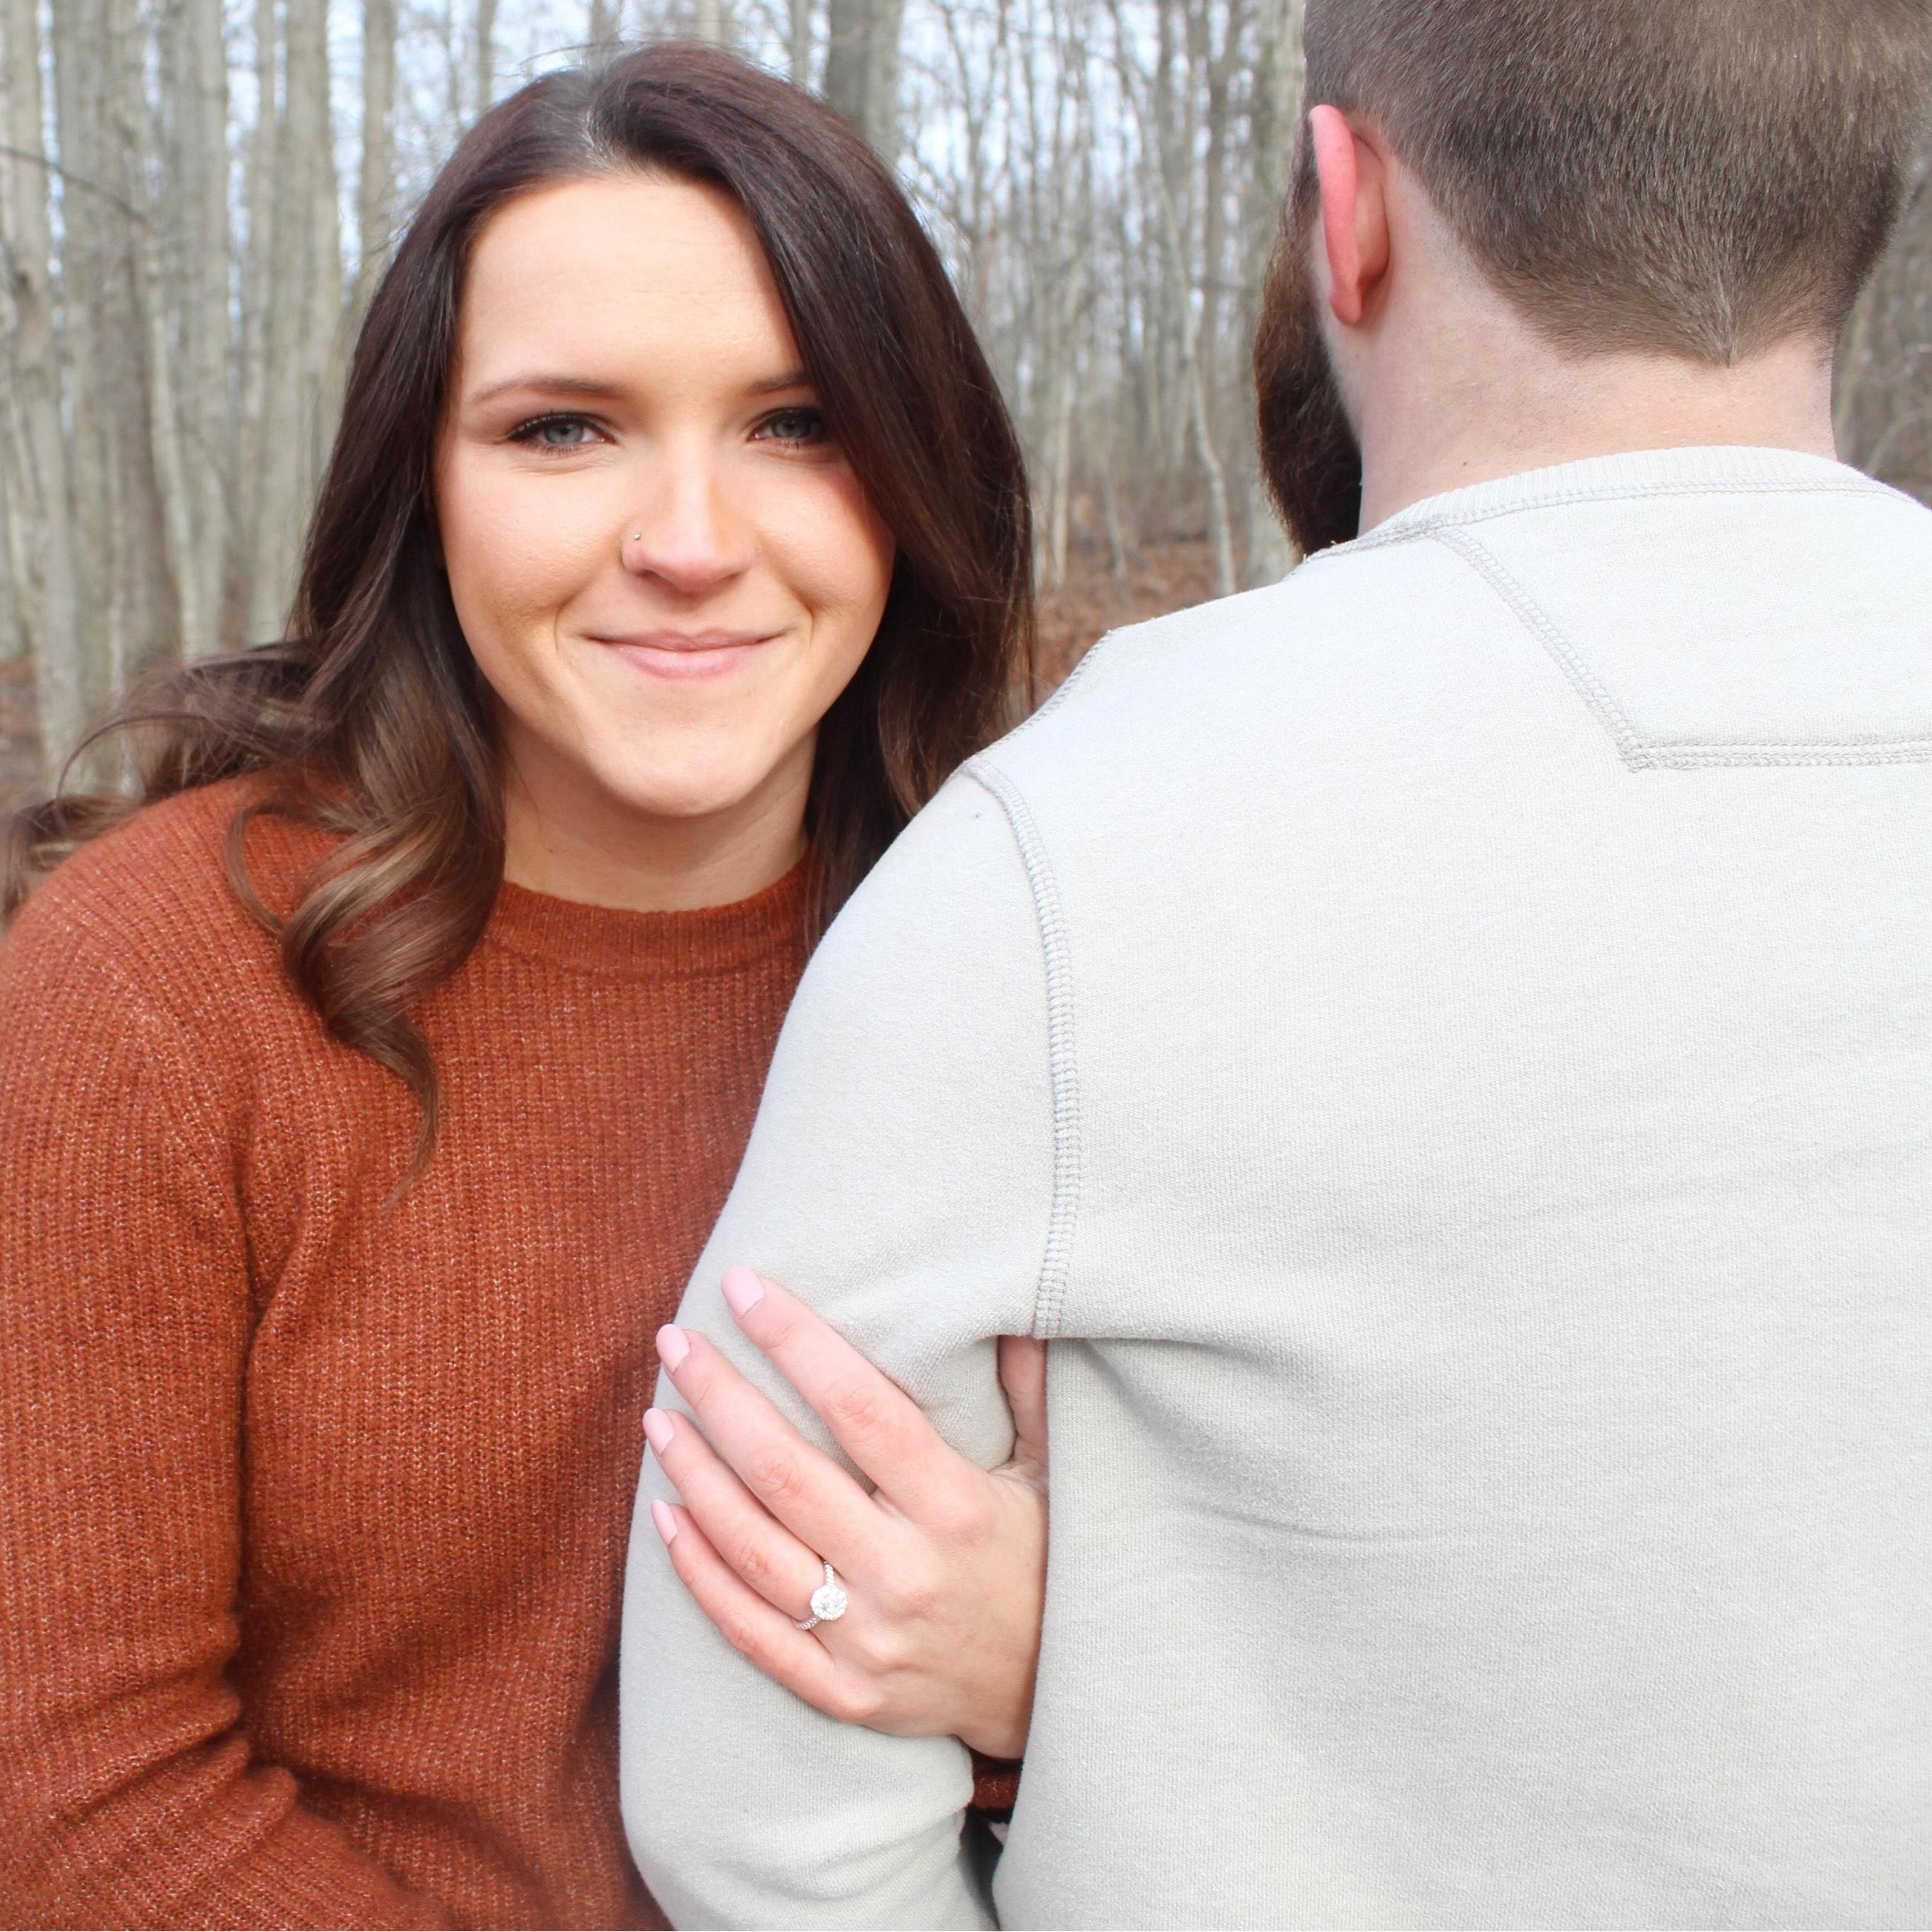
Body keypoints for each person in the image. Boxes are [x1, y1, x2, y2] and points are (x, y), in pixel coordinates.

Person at [620, 0, 1932, 1923]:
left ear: (1348, 202)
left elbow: (753, 1813)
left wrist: (1117, 1681)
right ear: (1860, 206)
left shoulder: (1064, 857)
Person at [0, 43, 1038, 1930]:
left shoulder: (1038, 973)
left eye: (797, 423)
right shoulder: (151, 994)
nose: (690, 542)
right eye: (564, 429)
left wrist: (1050, 1691)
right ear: (425, 482)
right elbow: (73, 1804)